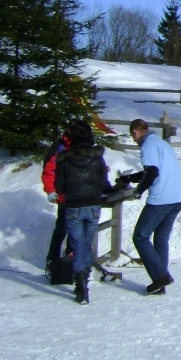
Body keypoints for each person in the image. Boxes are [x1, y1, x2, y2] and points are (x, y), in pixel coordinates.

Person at [117, 119, 181, 295]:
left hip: (161, 199)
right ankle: (160, 282)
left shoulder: (147, 145)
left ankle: (160, 277)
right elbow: (152, 170)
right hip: (177, 197)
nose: (134, 140)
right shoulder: (161, 143)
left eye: (134, 137)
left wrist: (138, 191)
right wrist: (130, 178)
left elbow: (153, 172)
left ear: (135, 132)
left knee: (140, 236)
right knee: (161, 240)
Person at [54, 119, 113, 304]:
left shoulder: (64, 158)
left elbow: (59, 187)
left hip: (74, 207)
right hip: (94, 205)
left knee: (78, 245)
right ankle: (84, 280)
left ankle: (80, 285)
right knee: (85, 245)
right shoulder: (97, 157)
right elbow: (104, 183)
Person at [42, 122, 77, 273]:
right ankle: (52, 258)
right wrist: (50, 190)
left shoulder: (82, 144)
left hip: (78, 194)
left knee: (75, 229)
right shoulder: (60, 147)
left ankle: (70, 258)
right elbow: (48, 171)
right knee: (62, 227)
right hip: (63, 195)